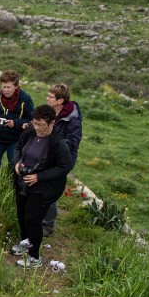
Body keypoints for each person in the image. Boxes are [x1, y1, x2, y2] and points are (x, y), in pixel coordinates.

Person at [12, 105, 73, 269]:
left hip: (42, 188)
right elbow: (18, 147)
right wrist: (17, 163)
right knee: (22, 215)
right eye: (35, 123)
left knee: (33, 220)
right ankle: (25, 244)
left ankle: (34, 257)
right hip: (22, 182)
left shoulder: (59, 143)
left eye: (41, 125)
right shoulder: (31, 131)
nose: (37, 128)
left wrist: (39, 176)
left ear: (52, 123)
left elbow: (65, 167)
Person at [41, 83, 83, 236]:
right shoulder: (49, 113)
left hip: (61, 160)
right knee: (40, 187)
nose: (47, 98)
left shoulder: (72, 121)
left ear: (60, 101)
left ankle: (47, 226)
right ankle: (39, 218)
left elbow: (73, 143)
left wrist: (54, 138)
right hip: (46, 156)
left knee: (51, 192)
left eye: (50, 97)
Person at [0, 70, 34, 169]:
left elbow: (31, 120)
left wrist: (15, 123)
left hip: (16, 141)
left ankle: (12, 184)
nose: (6, 90)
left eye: (9, 87)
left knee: (13, 169)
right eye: (3, 87)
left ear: (16, 86)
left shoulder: (25, 100)